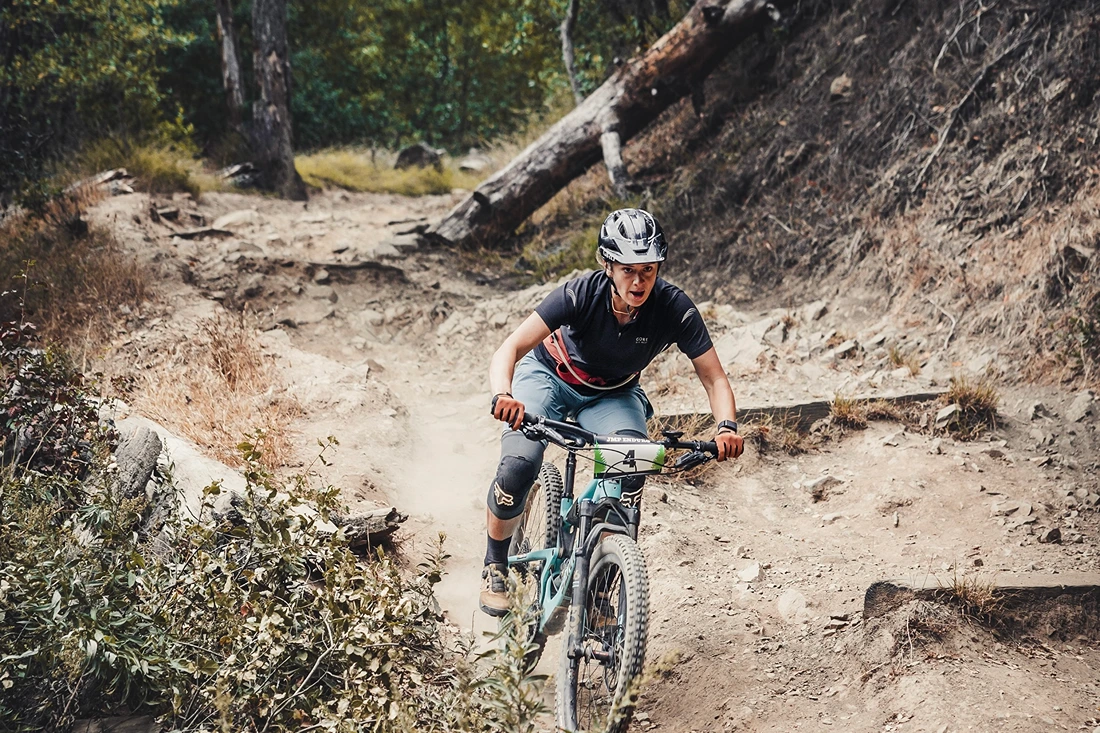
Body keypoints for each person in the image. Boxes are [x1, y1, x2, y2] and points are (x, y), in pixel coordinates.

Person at [480, 208, 743, 616]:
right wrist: (504, 394)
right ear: (608, 265)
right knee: (517, 467)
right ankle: (495, 563)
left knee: (632, 468)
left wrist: (726, 426)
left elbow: (714, 378)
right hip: (548, 379)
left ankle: (600, 583)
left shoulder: (674, 308)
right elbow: (510, 349)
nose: (638, 281)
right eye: (627, 270)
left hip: (612, 395)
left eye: (648, 270)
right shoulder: (580, 293)